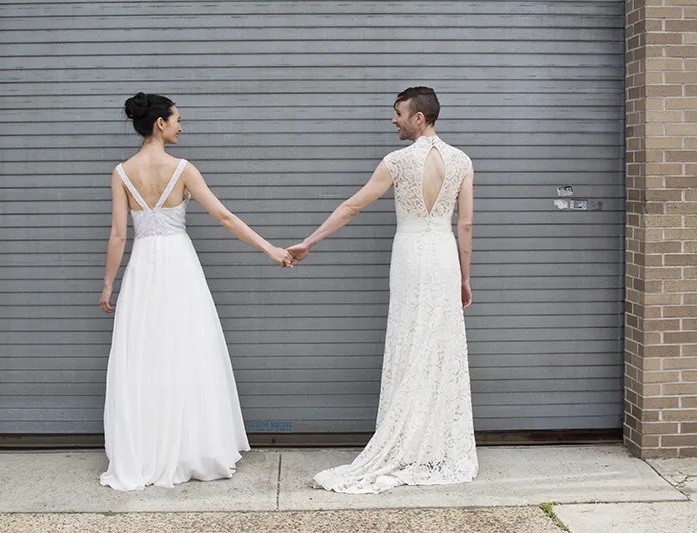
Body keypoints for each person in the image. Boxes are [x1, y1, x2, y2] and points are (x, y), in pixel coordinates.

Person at [288, 87, 478, 494]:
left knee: (412, 340)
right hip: (443, 256)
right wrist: (464, 276)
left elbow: (353, 205)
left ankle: (407, 439)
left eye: (398, 114)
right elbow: (464, 226)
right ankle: (432, 442)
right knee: (438, 345)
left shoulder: (397, 161)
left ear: (419, 118)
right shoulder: (462, 161)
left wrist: (310, 240)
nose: (394, 120)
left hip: (411, 254)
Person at [99, 92, 292, 491]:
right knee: (186, 351)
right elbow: (223, 216)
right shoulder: (183, 169)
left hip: (142, 272)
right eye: (177, 119)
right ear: (160, 124)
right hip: (179, 267)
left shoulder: (121, 173)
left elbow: (119, 234)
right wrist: (269, 249)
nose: (182, 126)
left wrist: (107, 285)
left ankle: (147, 449)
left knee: (144, 356)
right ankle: (191, 447)